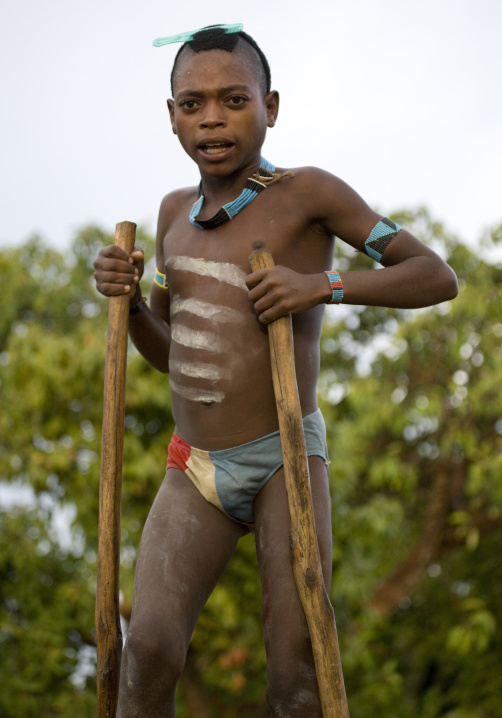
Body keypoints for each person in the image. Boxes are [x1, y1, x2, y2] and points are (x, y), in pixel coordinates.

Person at [93, 24, 458, 717]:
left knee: (297, 669)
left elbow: (434, 275)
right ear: (170, 115)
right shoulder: (173, 215)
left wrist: (322, 287)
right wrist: (131, 303)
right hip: (193, 466)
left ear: (272, 106)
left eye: (233, 100)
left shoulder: (308, 194)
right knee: (147, 651)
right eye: (193, 103)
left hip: (285, 457)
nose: (212, 118)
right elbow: (173, 352)